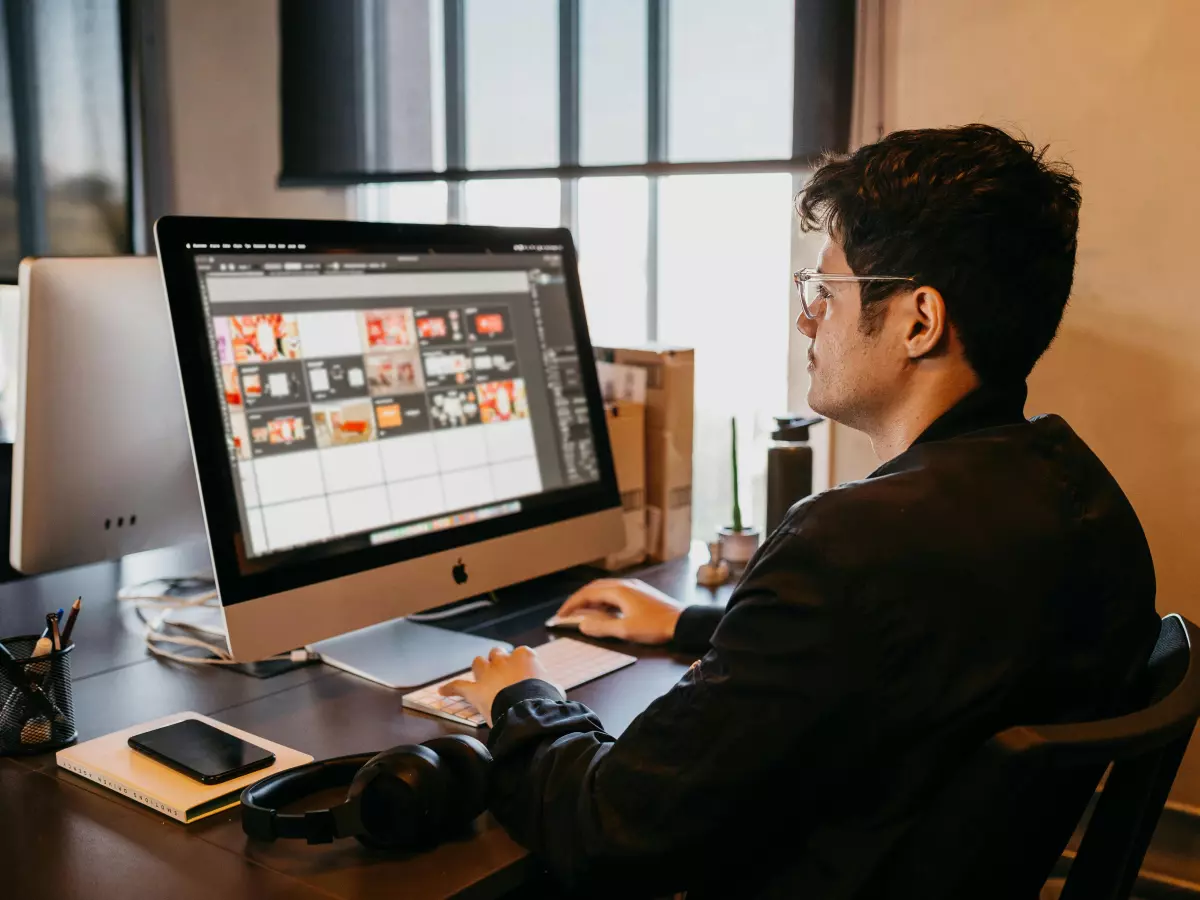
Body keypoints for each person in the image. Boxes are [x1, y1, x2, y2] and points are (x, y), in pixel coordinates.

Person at [440, 124, 1160, 898]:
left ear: (919, 320)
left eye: (828, 290)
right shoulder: (1080, 495)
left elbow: (612, 827)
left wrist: (522, 699)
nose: (807, 320)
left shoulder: (851, 543)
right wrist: (690, 626)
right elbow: (920, 650)